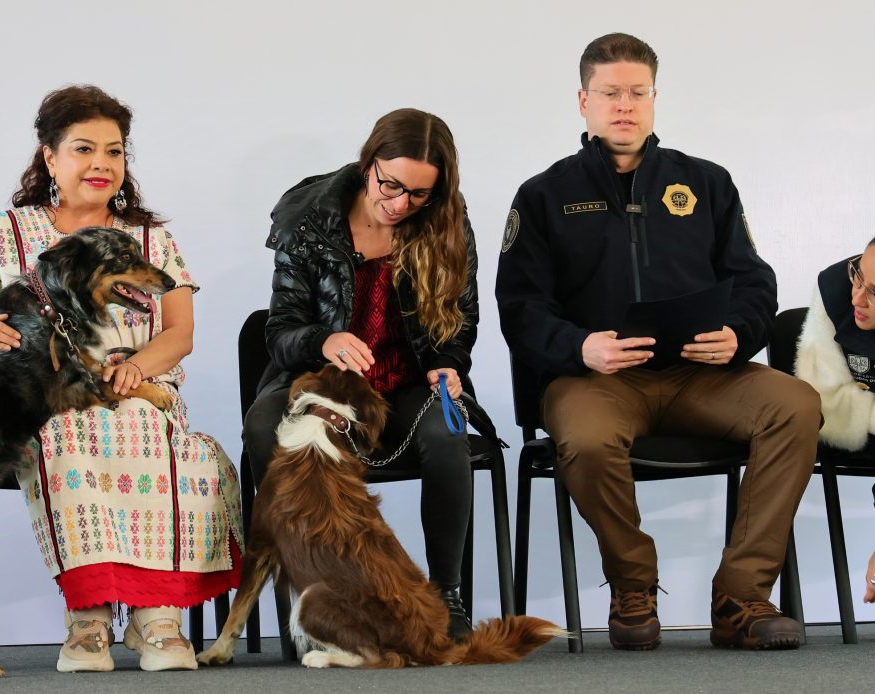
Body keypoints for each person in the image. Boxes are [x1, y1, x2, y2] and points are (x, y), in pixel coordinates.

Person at [495, 33, 821, 651]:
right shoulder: (543, 195)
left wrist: (738, 336)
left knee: (795, 405)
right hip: (597, 381)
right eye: (610, 93)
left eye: (637, 92)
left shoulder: (706, 183)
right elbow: (520, 307)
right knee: (587, 439)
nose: (625, 105)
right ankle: (632, 584)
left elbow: (754, 282)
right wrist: (579, 346)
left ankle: (741, 597)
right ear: (583, 101)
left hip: (703, 376)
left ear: (654, 98)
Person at [0, 85, 242, 672]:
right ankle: (90, 617)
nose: (102, 163)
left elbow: (179, 332)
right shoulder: (10, 231)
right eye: (84, 149)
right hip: (48, 400)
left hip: (139, 386)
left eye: (115, 151)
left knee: (149, 430)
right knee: (66, 434)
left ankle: (156, 618)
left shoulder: (150, 238)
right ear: (50, 158)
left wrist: (135, 368)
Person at [242, 108, 495, 642]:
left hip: (404, 385)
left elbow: (462, 316)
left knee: (448, 437)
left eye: (419, 194)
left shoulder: (447, 220)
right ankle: (312, 583)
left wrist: (450, 365)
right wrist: (323, 339)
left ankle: (445, 596)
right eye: (391, 185)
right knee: (264, 425)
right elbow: (281, 329)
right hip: (322, 384)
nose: (401, 204)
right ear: (369, 162)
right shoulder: (306, 217)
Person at [793, 241, 875, 604]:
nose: (857, 299)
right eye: (858, 276)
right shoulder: (835, 289)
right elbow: (822, 401)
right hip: (850, 423)